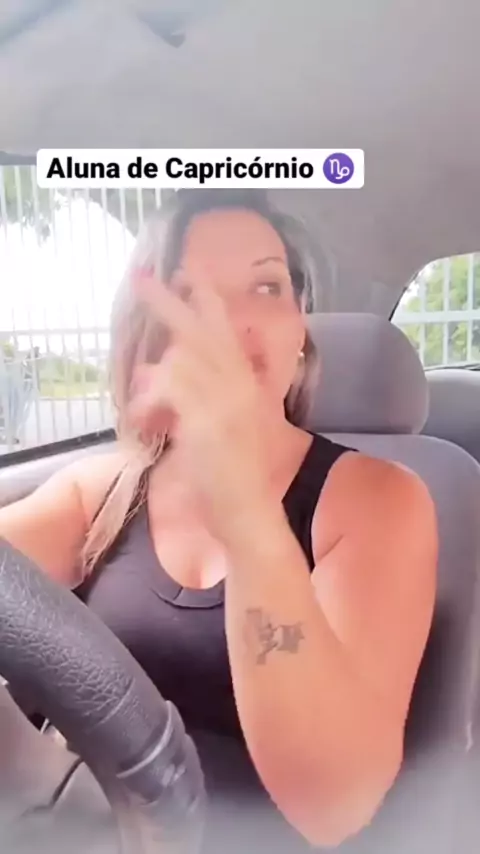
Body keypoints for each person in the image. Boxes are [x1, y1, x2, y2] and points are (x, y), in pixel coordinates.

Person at [0, 189, 438, 851]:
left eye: (265, 287)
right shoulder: (102, 492)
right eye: (189, 294)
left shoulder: (379, 501)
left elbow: (333, 806)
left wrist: (240, 502)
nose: (231, 321)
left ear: (299, 329)